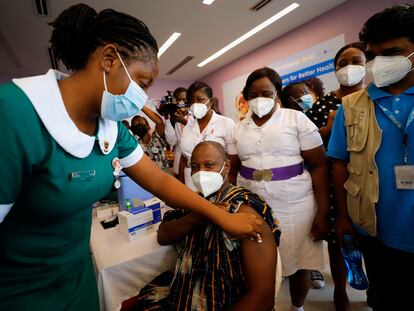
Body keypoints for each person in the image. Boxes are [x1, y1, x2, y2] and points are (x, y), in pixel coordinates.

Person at [0, 4, 262, 310]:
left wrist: (220, 215)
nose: (141, 97)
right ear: (109, 60)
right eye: (142, 83)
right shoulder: (14, 115)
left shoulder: (109, 127)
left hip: (76, 276)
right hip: (18, 290)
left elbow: (158, 179)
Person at [328, 4, 414, 311]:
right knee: (385, 301)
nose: (380, 63)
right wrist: (341, 218)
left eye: (393, 52)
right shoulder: (350, 106)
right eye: (375, 55)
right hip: (375, 232)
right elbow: (339, 164)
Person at [227, 67, 330, 311]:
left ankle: (297, 307)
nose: (259, 98)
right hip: (253, 207)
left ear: (277, 94)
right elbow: (232, 170)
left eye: (266, 93)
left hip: (296, 205)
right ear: (245, 96)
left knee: (298, 264)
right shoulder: (238, 128)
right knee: (257, 265)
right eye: (253, 94)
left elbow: (319, 165)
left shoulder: (296, 120)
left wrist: (323, 211)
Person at [133, 141, 280, 311]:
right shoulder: (194, 201)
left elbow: (262, 297)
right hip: (185, 294)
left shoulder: (245, 211)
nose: (201, 173)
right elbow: (163, 235)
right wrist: (195, 218)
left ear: (226, 166)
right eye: (195, 167)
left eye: (209, 165)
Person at [179, 81, 235, 190]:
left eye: (200, 100)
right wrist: (181, 185)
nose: (195, 104)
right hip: (191, 181)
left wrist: (230, 188)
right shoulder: (187, 127)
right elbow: (183, 159)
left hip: (216, 181)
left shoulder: (226, 123)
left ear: (211, 101)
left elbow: (233, 161)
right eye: (191, 101)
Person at [165, 87, 189, 177]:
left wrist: (184, 121)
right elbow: (172, 141)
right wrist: (167, 118)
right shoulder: (173, 117)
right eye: (179, 100)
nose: (181, 102)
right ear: (175, 101)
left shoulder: (195, 116)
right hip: (179, 164)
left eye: (184, 99)